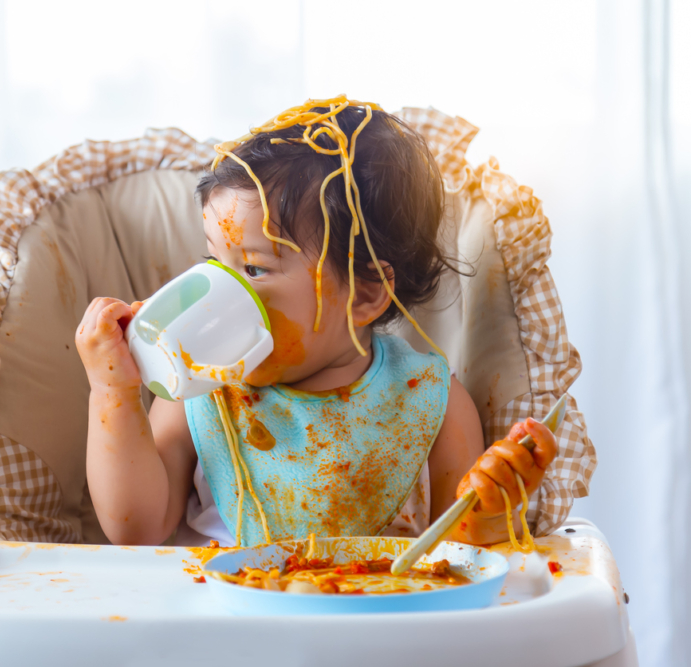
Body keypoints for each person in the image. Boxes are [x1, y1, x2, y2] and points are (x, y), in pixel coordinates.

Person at [75, 99, 557, 548]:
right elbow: (135, 531)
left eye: (254, 269)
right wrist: (113, 394)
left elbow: (455, 558)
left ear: (364, 294)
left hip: (376, 628)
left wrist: (488, 514)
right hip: (224, 625)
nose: (220, 289)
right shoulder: (202, 390)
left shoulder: (433, 402)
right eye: (215, 260)